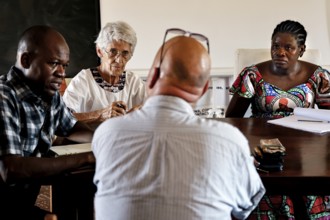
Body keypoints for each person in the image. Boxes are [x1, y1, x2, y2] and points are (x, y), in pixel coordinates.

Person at [92, 29, 265, 220]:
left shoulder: (107, 133)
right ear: (205, 88)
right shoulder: (230, 141)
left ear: (151, 76)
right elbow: (245, 206)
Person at [226, 20, 330, 219]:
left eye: (288, 47)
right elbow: (232, 119)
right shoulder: (252, 75)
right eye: (275, 46)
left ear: (301, 50)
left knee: (314, 192)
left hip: (307, 153)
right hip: (265, 152)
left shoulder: (319, 77)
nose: (280, 52)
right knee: (268, 192)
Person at [0, 25, 95, 220]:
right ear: (26, 60)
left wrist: (102, 140)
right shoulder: (4, 96)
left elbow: (72, 127)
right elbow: (11, 169)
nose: (61, 73)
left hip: (31, 193)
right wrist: (86, 157)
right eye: (53, 63)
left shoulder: (48, 93)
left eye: (65, 66)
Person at [63, 21, 146, 123]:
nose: (119, 60)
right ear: (99, 51)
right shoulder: (83, 80)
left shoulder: (133, 81)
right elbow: (63, 118)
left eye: (125, 53)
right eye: (113, 51)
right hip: (91, 138)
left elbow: (155, 107)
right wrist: (100, 115)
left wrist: (139, 113)